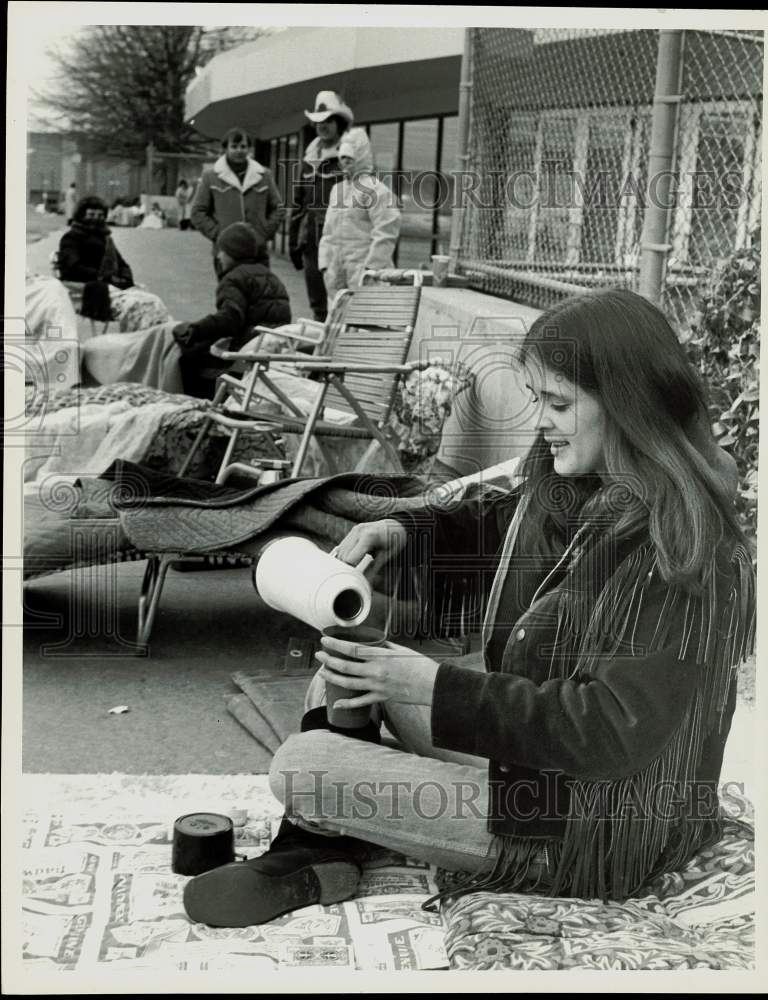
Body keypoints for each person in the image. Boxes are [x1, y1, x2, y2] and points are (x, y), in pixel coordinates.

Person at [182, 288, 755, 927]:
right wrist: (407, 534)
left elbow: (614, 732)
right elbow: (495, 521)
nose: (541, 419)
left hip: (599, 823)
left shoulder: (680, 548)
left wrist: (435, 686)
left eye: (559, 403)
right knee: (345, 672)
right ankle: (319, 847)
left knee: (302, 767)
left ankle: (319, 839)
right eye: (538, 398)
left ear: (628, 407)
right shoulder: (589, 486)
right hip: (545, 773)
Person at [171, 221, 291, 399]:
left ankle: (201, 405)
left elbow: (229, 320)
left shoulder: (234, 279)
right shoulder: (270, 277)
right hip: (270, 350)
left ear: (233, 253)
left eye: (222, 251)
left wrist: (193, 330)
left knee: (187, 357)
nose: (218, 256)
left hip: (245, 354)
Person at [289, 91, 355, 321]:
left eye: (328, 121)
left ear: (339, 124)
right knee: (317, 303)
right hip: (311, 241)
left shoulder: (349, 157)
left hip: (339, 240)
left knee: (338, 301)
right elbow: (298, 202)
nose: (323, 126)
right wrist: (293, 240)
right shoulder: (308, 159)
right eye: (318, 122)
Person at [318, 129, 401, 300]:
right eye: (342, 158)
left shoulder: (376, 190)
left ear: (361, 157)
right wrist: (325, 265)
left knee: (365, 322)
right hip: (336, 275)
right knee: (337, 322)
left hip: (366, 276)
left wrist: (371, 269)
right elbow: (328, 233)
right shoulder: (337, 190)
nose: (345, 162)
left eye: (350, 158)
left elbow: (386, 231)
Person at [190, 127, 284, 267]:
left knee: (260, 288)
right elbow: (197, 212)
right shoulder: (211, 177)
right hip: (226, 253)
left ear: (249, 149)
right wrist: (219, 234)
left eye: (243, 146)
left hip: (256, 252)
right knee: (230, 288)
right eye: (234, 146)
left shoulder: (264, 175)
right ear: (225, 149)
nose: (239, 150)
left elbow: (278, 208)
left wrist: (264, 233)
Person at [57, 195, 134, 289]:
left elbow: (121, 264)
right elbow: (72, 268)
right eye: (91, 215)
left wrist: (126, 278)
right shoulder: (72, 237)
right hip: (84, 285)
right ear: (81, 216)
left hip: (108, 283)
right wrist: (105, 277)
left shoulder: (105, 238)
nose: (96, 218)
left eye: (100, 215)